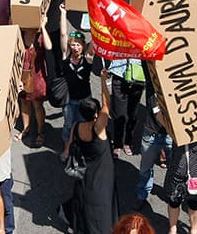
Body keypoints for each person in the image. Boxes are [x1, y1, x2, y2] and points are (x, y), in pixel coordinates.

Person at [61, 71, 118, 234]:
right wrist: (103, 81)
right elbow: (107, 104)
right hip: (102, 175)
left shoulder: (76, 127)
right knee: (102, 205)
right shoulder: (98, 129)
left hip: (85, 173)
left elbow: (68, 148)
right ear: (95, 114)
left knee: (84, 202)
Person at [134, 82, 172, 210]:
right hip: (151, 132)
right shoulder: (152, 80)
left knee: (174, 167)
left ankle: (170, 192)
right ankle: (142, 195)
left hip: (171, 134)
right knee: (145, 168)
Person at [59, 26, 94, 158]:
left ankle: (81, 147)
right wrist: (63, 13)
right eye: (73, 44)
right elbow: (63, 34)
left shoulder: (88, 58)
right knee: (68, 124)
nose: (75, 47)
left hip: (85, 99)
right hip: (69, 100)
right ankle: (67, 147)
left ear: (83, 46)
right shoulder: (66, 57)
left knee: (84, 124)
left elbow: (95, 41)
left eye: (78, 44)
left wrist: (96, 25)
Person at [16, 21, 51, 147]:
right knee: (24, 102)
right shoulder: (19, 34)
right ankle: (26, 128)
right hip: (22, 75)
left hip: (37, 76)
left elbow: (49, 46)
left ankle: (40, 132)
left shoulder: (40, 35)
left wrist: (43, 26)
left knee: (37, 104)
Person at [107, 58, 146, 158]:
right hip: (119, 72)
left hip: (138, 74)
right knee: (119, 114)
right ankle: (117, 144)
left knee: (132, 114)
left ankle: (128, 142)